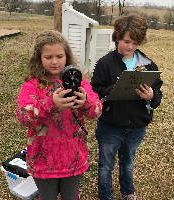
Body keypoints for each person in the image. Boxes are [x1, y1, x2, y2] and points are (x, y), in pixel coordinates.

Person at [16, 30, 102, 200]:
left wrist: (85, 102)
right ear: (39, 58)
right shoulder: (32, 85)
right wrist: (50, 105)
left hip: (74, 156)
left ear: (67, 56)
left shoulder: (79, 81)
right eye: (48, 57)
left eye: (59, 56)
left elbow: (97, 110)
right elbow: (23, 115)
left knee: (70, 196)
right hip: (43, 159)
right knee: (47, 197)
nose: (54, 62)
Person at [90, 13, 163, 200]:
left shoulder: (148, 64)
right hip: (110, 125)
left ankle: (127, 192)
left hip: (137, 126)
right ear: (117, 37)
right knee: (106, 165)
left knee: (128, 162)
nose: (130, 46)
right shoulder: (104, 63)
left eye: (135, 43)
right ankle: (104, 196)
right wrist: (114, 88)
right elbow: (94, 92)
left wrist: (151, 96)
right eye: (126, 41)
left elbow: (158, 92)